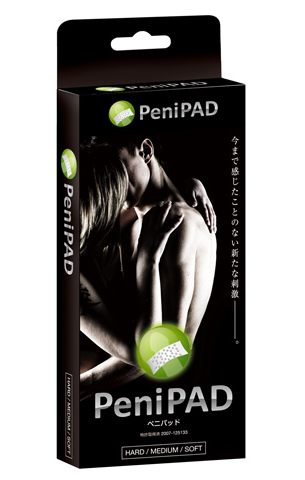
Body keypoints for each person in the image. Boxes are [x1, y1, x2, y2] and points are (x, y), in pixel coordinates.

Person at [79, 138, 217, 398]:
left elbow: (165, 353)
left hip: (149, 381)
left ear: (145, 151)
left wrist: (84, 385)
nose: (111, 181)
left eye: (116, 167)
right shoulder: (139, 213)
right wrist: (189, 183)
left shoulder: (176, 225)